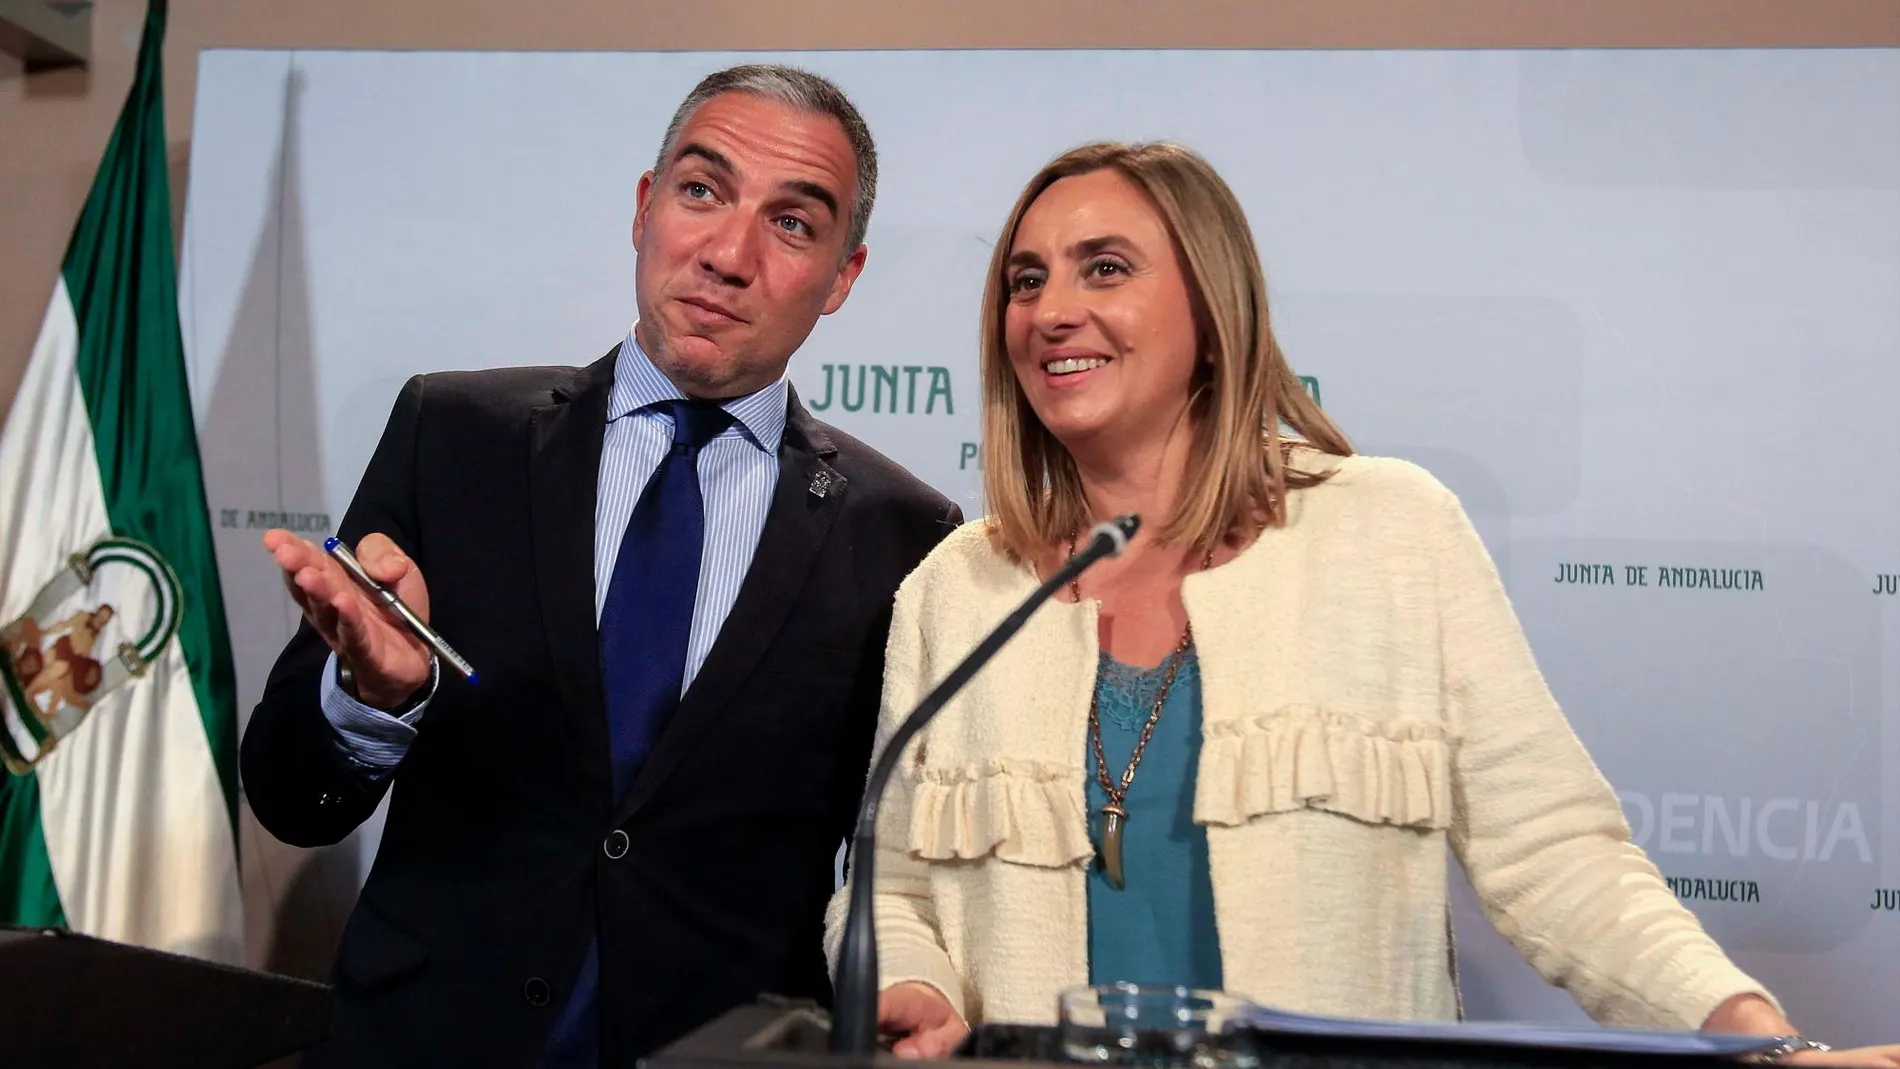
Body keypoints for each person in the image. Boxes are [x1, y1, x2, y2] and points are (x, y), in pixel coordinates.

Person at [827, 141, 1900, 1067]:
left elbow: (1557, 858)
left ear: (1212, 304)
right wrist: (911, 985)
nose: (1052, 310)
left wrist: (1764, 1042)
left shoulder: (1390, 532)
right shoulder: (958, 588)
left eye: (1103, 268)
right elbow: (888, 889)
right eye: (1024, 281)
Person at [242, 64, 960, 1069]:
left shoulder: (904, 534)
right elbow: (287, 792)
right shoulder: (451, 437)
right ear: (643, 208)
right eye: (701, 191)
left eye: (793, 224)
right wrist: (371, 696)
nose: (727, 253)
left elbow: (887, 874)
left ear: (842, 275)